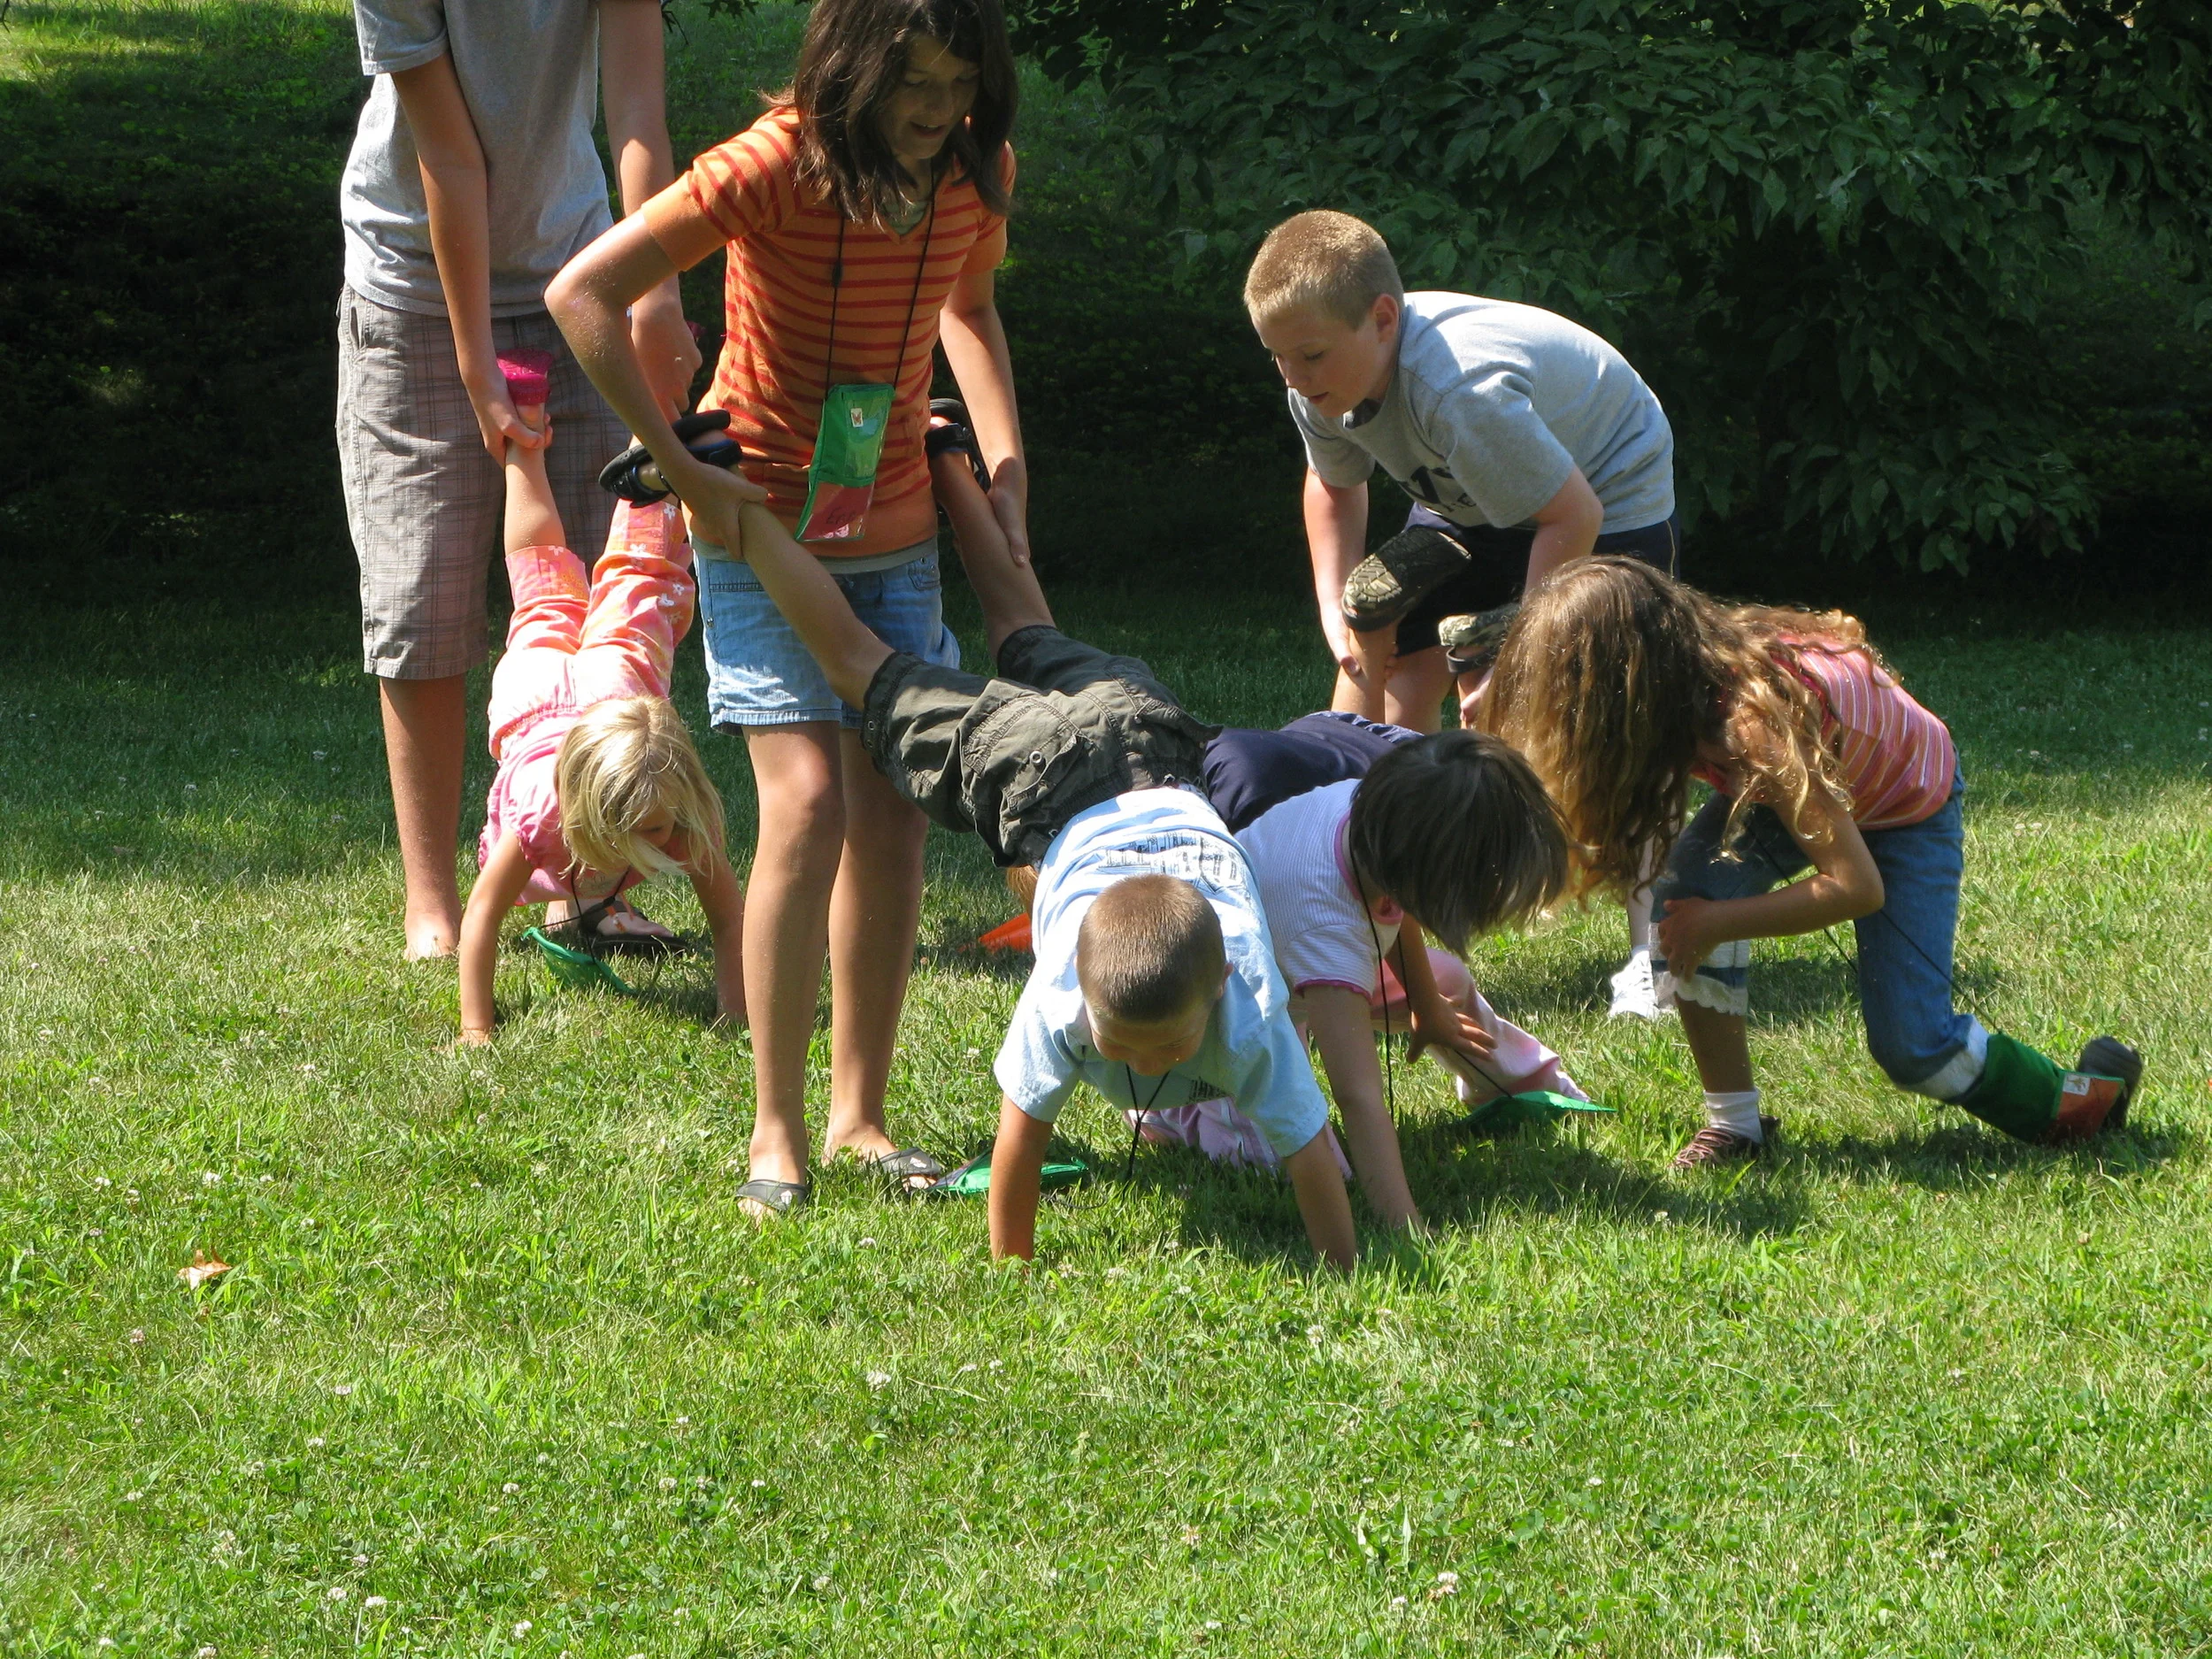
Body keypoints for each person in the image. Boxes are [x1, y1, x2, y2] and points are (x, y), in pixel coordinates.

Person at [630, 406, 1357, 1263]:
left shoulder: (1219, 1002)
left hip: (1147, 730)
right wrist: (1012, 1269)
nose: (1143, 1068)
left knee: (1024, 628)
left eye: (1161, 1050)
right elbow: (1021, 1149)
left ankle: (944, 451)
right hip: (1049, 773)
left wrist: (1343, 1270)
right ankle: (722, 491)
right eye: (1125, 1047)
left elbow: (1313, 1160)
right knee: (858, 666)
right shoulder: (1085, 998)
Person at [547, 0, 1025, 1203]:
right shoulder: (772, 164)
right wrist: (680, 463)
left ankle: (861, 1118)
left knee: (896, 813)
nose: (938, 108)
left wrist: (1006, 468)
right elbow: (583, 294)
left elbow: (969, 311)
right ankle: (776, 1132)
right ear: (855, 67)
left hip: (897, 531)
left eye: (958, 82)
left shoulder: (975, 168)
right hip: (761, 527)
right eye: (915, 82)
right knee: (805, 805)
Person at [1482, 557, 2144, 1168]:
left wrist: (1716, 922)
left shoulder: (1751, 725)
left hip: (1905, 807)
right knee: (1688, 891)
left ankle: (2085, 1099)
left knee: (1915, 1049)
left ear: (1624, 684)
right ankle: (1737, 1127)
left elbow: (1856, 887)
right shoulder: (1682, 692)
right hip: (1803, 783)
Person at [1242, 209, 1680, 1016]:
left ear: (1384, 320)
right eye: (1278, 357)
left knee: (1606, 723)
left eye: (1310, 356)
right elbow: (1333, 484)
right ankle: (1369, 915)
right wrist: (1336, 607)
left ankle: (1656, 950)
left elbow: (1572, 515)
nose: (1294, 378)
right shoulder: (1318, 381)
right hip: (1472, 493)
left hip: (1601, 494)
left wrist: (1519, 662)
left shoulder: (1458, 390)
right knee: (1397, 672)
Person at [337, 0, 698, 959]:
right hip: (412, 278)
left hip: (578, 271)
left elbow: (637, 114)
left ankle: (589, 885)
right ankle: (432, 906)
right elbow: (450, 158)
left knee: (597, 603)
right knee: (423, 594)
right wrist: (475, 366)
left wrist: (653, 296)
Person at [456, 354, 745, 1047]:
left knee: (555, 582)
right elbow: (482, 918)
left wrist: (737, 1013)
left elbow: (730, 921)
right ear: (588, 818)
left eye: (663, 826)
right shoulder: (541, 820)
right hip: (565, 698)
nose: (666, 841)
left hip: (583, 693)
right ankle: (653, 402)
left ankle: (540, 423)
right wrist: (475, 1027)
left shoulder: (677, 812)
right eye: (646, 832)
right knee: (635, 578)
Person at [1225, 729, 1579, 1229]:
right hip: (1231, 1013)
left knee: (1446, 981)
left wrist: (1427, 1006)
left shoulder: (1374, 817)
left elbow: (1395, 903)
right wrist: (1404, 1226)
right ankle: (1176, 1115)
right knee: (1290, 1151)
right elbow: (1358, 1095)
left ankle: (1523, 1085)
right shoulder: (1326, 927)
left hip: (1299, 960)